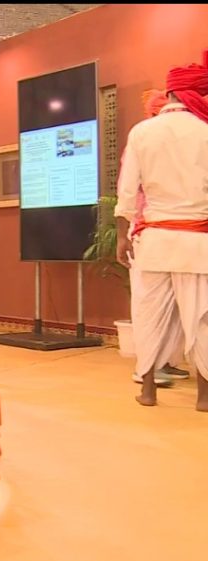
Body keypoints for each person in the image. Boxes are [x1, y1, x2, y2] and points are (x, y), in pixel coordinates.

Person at [115, 52, 208, 411]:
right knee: (202, 318)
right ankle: (204, 396)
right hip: (198, 242)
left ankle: (149, 390)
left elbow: (127, 190)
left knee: (149, 315)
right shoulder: (205, 130)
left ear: (170, 93)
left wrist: (122, 235)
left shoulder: (142, 131)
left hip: (153, 241)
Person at [126, 91, 190, 388]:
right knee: (150, 304)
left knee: (177, 305)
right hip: (146, 230)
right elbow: (130, 189)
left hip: (176, 230)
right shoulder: (143, 139)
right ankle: (147, 368)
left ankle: (167, 361)